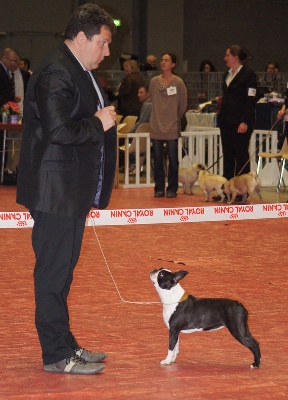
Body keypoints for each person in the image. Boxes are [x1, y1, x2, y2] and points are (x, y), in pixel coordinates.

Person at [16, 3, 117, 375]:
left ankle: (66, 344)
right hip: (55, 191)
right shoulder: (58, 70)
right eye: (103, 43)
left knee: (62, 272)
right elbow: (59, 131)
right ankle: (57, 354)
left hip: (68, 191)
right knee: (53, 273)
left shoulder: (76, 68)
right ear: (81, 37)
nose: (107, 52)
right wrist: (98, 122)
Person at [215, 45, 257, 201]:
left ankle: (242, 192)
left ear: (235, 57)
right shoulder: (226, 74)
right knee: (228, 155)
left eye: (227, 55)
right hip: (226, 121)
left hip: (240, 121)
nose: (225, 58)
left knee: (241, 155)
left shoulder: (249, 75)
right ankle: (227, 191)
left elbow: (250, 100)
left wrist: (244, 121)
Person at [149, 52, 187, 198]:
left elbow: (183, 104)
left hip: (172, 125)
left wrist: (174, 118)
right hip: (156, 125)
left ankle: (172, 188)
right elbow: (152, 100)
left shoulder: (178, 82)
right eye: (162, 59)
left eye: (167, 60)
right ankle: (158, 188)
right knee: (158, 158)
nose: (163, 62)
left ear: (173, 64)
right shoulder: (154, 82)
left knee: (173, 159)